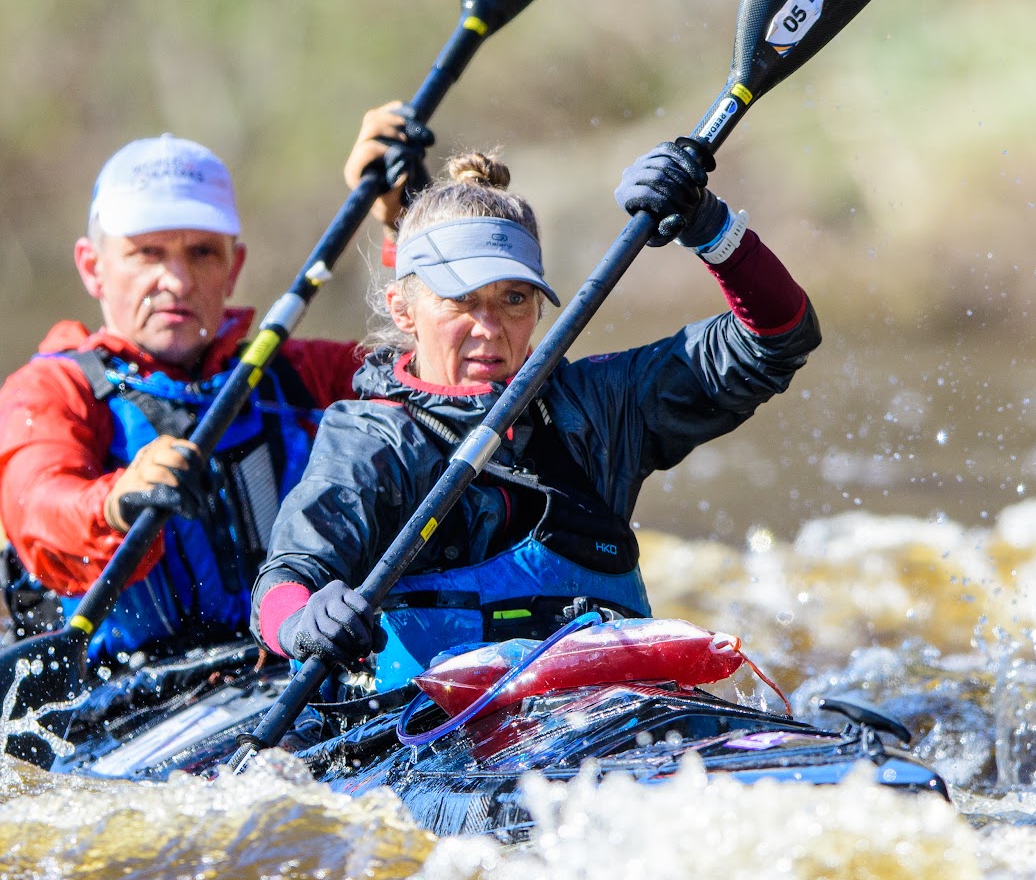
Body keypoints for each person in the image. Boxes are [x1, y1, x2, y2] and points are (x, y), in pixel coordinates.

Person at [251, 141, 820, 691]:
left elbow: (777, 340)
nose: (490, 329)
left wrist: (711, 228)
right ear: (404, 309)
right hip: (431, 737)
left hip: (606, 715)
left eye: (514, 299)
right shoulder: (369, 440)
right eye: (461, 301)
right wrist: (305, 623)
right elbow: (284, 584)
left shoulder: (599, 404)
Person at [0, 104, 418, 665]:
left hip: (297, 659)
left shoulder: (301, 375)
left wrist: (405, 225)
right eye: (147, 253)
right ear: (92, 267)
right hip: (127, 691)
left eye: (201, 253)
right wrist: (116, 501)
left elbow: (450, 377)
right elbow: (40, 507)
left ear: (233, 268)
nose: (178, 280)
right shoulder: (48, 393)